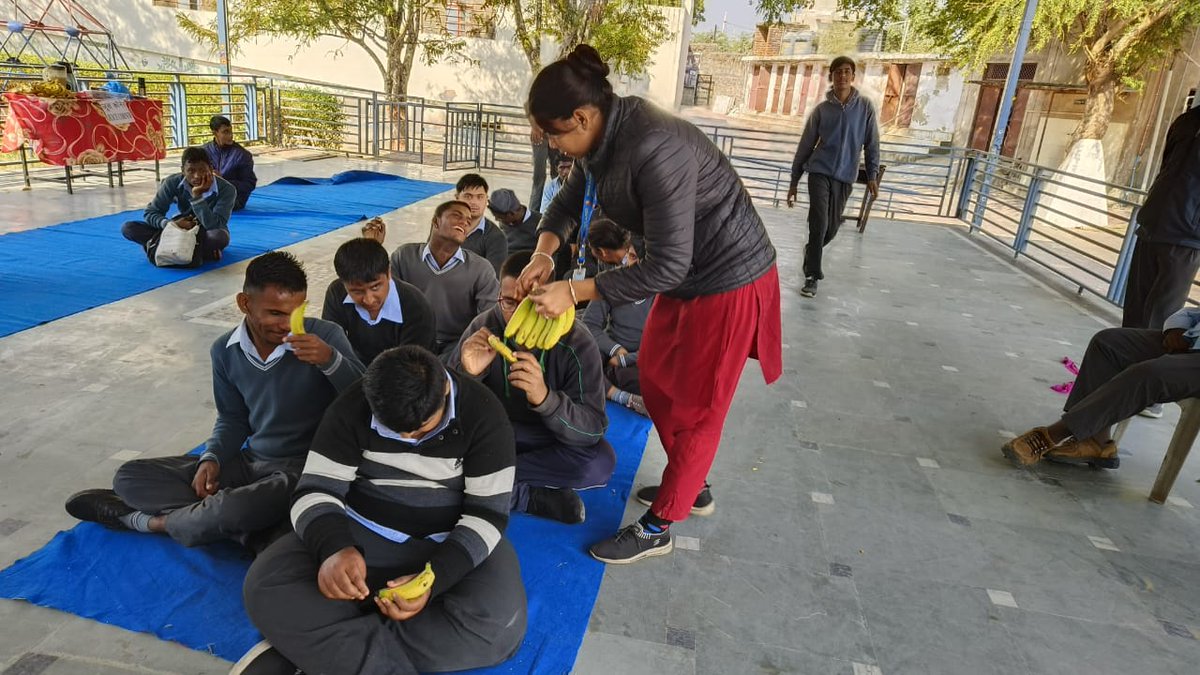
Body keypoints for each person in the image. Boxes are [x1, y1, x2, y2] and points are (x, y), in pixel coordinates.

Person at [519, 44, 781, 564]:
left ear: (582, 116)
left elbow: (667, 266)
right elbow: (568, 204)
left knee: (700, 406)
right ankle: (692, 481)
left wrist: (574, 290)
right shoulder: (600, 141)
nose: (548, 143)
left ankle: (662, 523)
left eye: (553, 133)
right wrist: (542, 256)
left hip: (729, 282)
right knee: (656, 379)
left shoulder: (654, 146)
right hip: (686, 283)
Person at [237, 346, 526, 675]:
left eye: (421, 429)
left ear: (445, 388)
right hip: (363, 531)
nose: (408, 438)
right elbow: (315, 489)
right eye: (394, 430)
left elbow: (488, 515)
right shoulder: (352, 405)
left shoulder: (484, 413)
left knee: (500, 626)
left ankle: (325, 650)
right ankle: (344, 651)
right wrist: (334, 548)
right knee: (264, 584)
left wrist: (436, 579)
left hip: (449, 539)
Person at [64, 252, 365, 550]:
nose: (287, 324)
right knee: (131, 477)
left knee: (237, 508)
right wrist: (213, 458)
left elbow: (366, 400)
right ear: (244, 303)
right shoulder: (224, 350)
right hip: (250, 463)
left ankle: (151, 523)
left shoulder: (325, 337)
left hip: (301, 468)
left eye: (296, 311)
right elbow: (233, 418)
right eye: (275, 313)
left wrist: (330, 360)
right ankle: (243, 527)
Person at [451, 251, 615, 524]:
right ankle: (524, 496)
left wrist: (546, 400)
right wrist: (468, 374)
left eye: (530, 305)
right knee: (434, 447)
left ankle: (480, 482)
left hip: (547, 438)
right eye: (508, 302)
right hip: (494, 434)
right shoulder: (484, 327)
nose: (515, 315)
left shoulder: (578, 342)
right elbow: (445, 412)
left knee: (599, 462)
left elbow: (593, 428)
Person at [1002, 307, 1200, 469]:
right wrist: (1177, 329)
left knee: (1150, 373)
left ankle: (1055, 433)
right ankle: (1097, 441)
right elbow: (1193, 312)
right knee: (1108, 343)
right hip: (1191, 341)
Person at [1120, 106, 1200, 419]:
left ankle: (1149, 394)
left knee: (1163, 315)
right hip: (1153, 224)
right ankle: (1124, 373)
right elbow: (1166, 167)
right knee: (1135, 309)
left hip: (1187, 237)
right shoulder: (1187, 121)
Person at [785, 56, 880, 299]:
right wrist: (794, 181)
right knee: (818, 223)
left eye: (847, 72)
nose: (842, 76)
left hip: (845, 176)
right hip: (819, 172)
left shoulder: (865, 109)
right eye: (838, 72)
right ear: (832, 77)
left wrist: (872, 175)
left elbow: (872, 144)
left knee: (832, 228)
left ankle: (811, 251)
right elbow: (805, 146)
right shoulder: (822, 111)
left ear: (853, 76)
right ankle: (812, 276)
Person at [391, 201, 500, 358]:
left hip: (457, 347)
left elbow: (490, 317)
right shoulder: (404, 256)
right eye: (457, 216)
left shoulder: (481, 269)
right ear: (436, 222)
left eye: (469, 221)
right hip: (410, 340)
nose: (464, 222)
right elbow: (385, 301)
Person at [322, 237, 437, 364]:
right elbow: (331, 344)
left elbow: (414, 369)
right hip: (353, 370)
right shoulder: (336, 293)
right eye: (357, 291)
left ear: (388, 273)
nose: (369, 300)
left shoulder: (416, 308)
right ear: (343, 283)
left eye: (375, 287)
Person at [582, 219, 652, 417]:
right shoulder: (612, 282)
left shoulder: (664, 293)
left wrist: (624, 359)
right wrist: (615, 350)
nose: (632, 265)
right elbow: (590, 324)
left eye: (639, 260)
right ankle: (621, 396)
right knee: (579, 358)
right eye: (630, 256)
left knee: (657, 381)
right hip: (611, 350)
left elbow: (665, 344)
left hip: (645, 357)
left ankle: (605, 383)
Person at [121, 147, 235, 264]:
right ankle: (201, 252)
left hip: (205, 232)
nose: (196, 176)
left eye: (202, 170)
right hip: (178, 228)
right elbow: (151, 212)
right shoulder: (172, 182)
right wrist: (172, 225)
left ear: (211, 169)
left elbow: (214, 224)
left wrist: (197, 197)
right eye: (191, 171)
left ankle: (159, 246)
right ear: (182, 170)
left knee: (219, 237)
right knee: (128, 228)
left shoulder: (226, 189)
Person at [455, 173, 508, 273]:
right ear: (457, 198)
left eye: (480, 197)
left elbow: (493, 280)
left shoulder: (496, 238)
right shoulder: (443, 226)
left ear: (486, 200)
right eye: (468, 196)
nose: (474, 202)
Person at [202, 115, 258, 210]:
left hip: (234, 200)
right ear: (215, 133)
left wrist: (223, 181)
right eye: (225, 132)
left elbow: (249, 184)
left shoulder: (242, 155)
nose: (230, 135)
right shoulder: (203, 152)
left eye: (230, 131)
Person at [489, 188, 542, 252]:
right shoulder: (505, 223)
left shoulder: (542, 224)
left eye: (500, 218)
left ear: (512, 213)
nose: (496, 220)